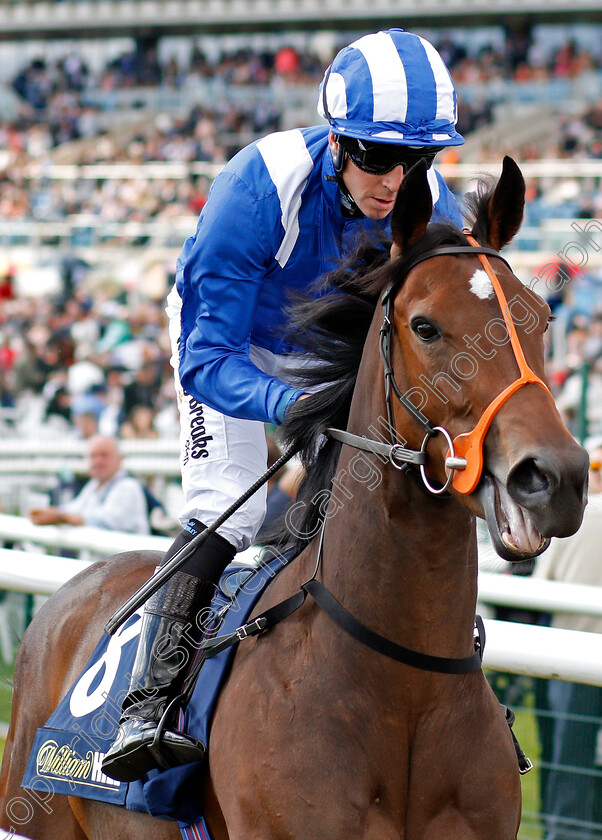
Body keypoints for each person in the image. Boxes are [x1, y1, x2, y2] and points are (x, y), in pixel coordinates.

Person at [102, 28, 465, 782]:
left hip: (328, 348)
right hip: (231, 343)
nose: (394, 179)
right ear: (336, 140)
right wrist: (290, 402)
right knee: (228, 508)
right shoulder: (257, 187)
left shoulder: (436, 214)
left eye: (416, 159)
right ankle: (149, 702)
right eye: (374, 155)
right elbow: (208, 360)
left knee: (385, 501)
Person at [533, 443, 602, 840]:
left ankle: (564, 832)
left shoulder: (572, 521)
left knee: (567, 756)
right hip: (579, 656)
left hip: (571, 659)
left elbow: (544, 586)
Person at [29, 435, 151, 535]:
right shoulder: (94, 485)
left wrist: (61, 516)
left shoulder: (128, 486)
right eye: (93, 456)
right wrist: (51, 514)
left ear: (120, 459)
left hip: (130, 563)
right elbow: (75, 509)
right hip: (112, 562)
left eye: (104, 455)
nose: (98, 461)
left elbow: (107, 522)